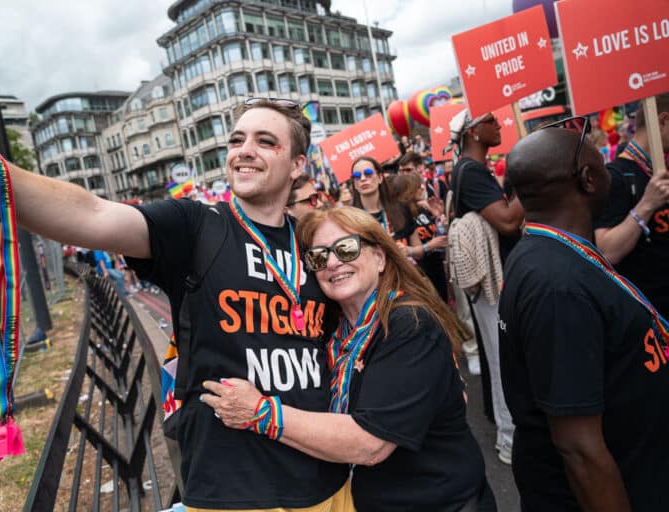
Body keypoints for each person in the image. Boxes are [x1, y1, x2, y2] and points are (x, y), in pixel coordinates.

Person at [0, 77, 351, 508]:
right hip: (234, 492)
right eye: (236, 140)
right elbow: (89, 213)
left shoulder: (319, 244)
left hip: (330, 484)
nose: (244, 152)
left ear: (297, 164)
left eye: (265, 141)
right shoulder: (196, 226)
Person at [202, 207, 492, 512]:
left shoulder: (409, 323)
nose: (333, 262)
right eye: (319, 256)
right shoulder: (335, 331)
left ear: (379, 258)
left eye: (347, 248)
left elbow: (371, 443)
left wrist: (261, 412)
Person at [499, 125, 669, 511]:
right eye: (601, 161)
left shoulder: (552, 256)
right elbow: (578, 449)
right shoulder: (557, 286)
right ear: (589, 179)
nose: (609, 167)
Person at [448, 108, 524, 464]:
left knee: (502, 357)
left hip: (491, 281)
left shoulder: (467, 168)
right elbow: (508, 222)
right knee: (502, 360)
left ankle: (509, 433)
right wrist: (531, 178)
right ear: (474, 132)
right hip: (492, 283)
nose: (500, 125)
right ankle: (510, 441)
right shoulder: (472, 170)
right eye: (492, 121)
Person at [594, 94, 669, 316]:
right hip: (650, 317)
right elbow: (606, 250)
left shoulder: (658, 168)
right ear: (663, 120)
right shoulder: (616, 177)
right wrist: (646, 205)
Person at [388, 173, 448, 301]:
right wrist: (428, 246)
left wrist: (438, 216)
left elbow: (435, 235)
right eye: (416, 186)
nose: (421, 188)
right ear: (407, 191)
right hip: (419, 272)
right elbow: (405, 248)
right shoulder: (399, 216)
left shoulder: (423, 209)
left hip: (436, 266)